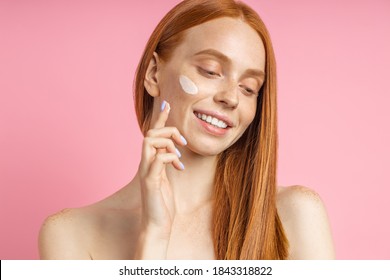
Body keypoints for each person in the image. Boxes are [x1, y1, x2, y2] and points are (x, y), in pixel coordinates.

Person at [38, 0, 335, 260]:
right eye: (209, 70)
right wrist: (154, 235)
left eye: (249, 88)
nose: (231, 98)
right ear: (154, 74)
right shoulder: (70, 234)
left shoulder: (295, 215)